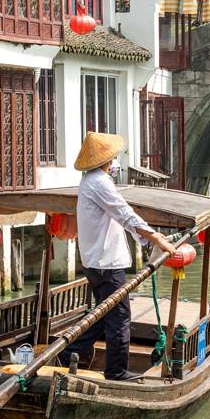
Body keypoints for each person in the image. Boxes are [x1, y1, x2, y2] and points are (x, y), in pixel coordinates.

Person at [62, 131, 177, 381]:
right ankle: (116, 371)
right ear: (108, 160)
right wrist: (156, 237)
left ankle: (68, 352)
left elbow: (120, 215)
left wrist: (148, 236)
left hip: (96, 262)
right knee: (119, 317)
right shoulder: (99, 183)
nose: (113, 161)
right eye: (112, 158)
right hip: (105, 263)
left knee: (104, 314)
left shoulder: (90, 181)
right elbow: (125, 214)